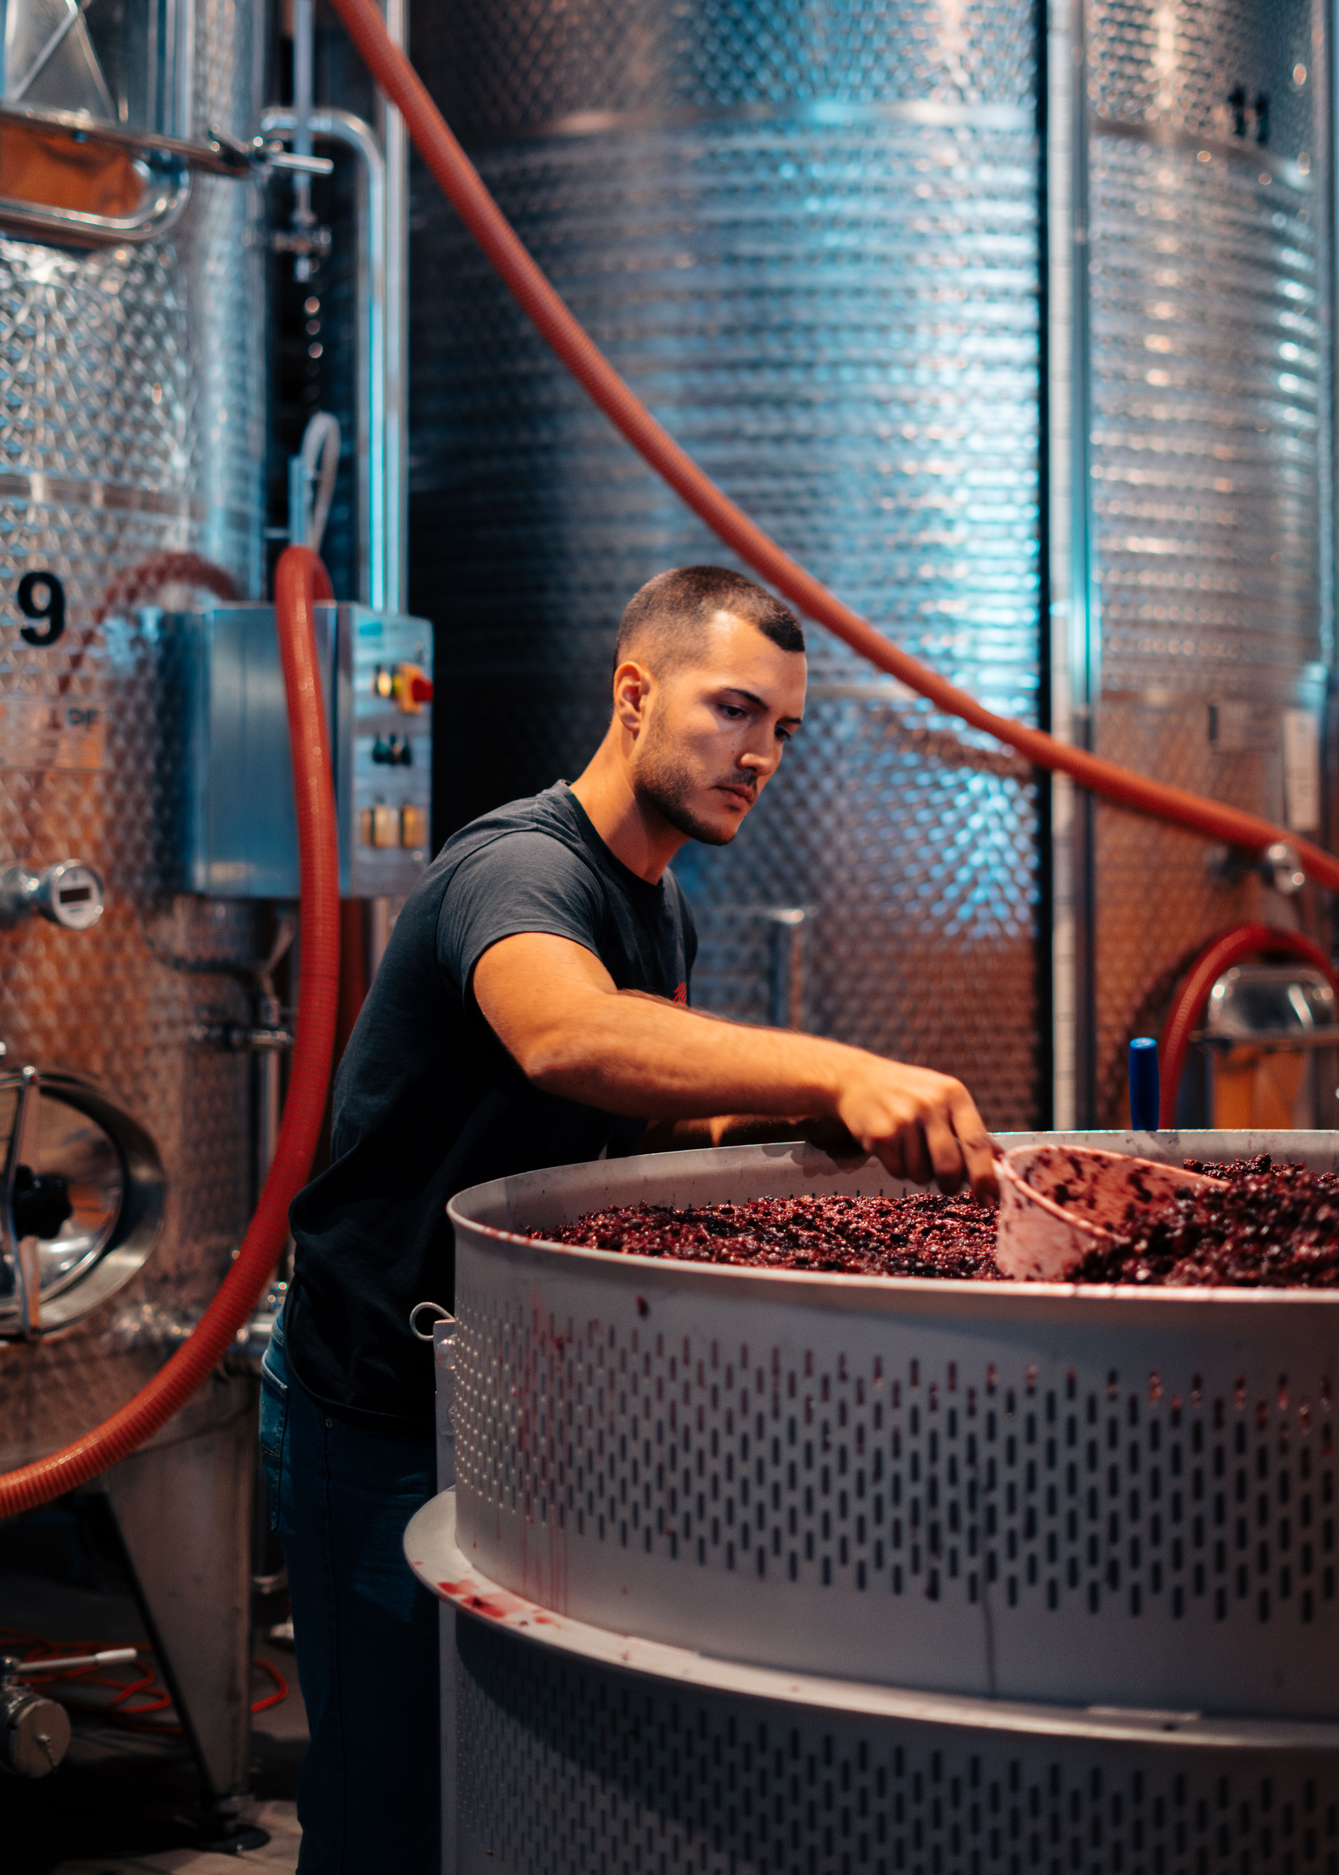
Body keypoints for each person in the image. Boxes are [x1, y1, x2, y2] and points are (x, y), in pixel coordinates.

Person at [262, 564, 998, 1871]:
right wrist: (837, 1069)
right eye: (733, 710)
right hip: (372, 1407)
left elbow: (622, 1127)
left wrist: (786, 1128)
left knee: (503, 1790)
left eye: (784, 728)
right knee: (389, 1810)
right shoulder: (522, 867)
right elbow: (564, 1037)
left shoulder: (662, 906)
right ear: (635, 693)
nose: (761, 755)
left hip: (508, 1396)